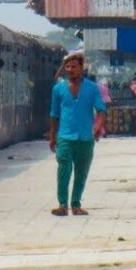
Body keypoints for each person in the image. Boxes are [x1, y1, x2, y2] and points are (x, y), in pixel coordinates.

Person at [49, 52, 106, 216]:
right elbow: (54, 114)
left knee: (81, 172)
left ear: (82, 68)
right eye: (67, 66)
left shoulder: (92, 88)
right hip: (65, 137)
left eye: (74, 66)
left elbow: (101, 110)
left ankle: (76, 204)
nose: (70, 69)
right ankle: (62, 204)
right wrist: (53, 136)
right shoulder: (58, 89)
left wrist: (98, 126)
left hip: (85, 138)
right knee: (63, 170)